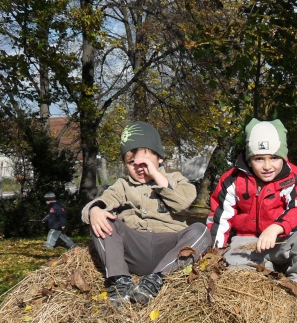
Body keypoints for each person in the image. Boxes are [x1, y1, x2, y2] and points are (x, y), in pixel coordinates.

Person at [81, 121, 211, 306]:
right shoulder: (123, 185)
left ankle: (156, 279)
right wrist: (95, 210)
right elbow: (104, 200)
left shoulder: (176, 179)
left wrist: (157, 177)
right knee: (102, 220)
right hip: (135, 247)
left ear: (160, 158)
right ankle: (120, 281)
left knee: (201, 230)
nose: (139, 168)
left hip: (169, 247)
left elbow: (182, 203)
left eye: (145, 162)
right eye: (131, 163)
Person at [207, 118, 297, 283]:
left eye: (274, 158)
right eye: (259, 159)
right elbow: (220, 218)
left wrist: (276, 227)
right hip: (247, 245)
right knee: (235, 271)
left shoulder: (294, 178)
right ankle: (266, 269)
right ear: (249, 159)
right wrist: (215, 251)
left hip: (282, 241)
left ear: (283, 157)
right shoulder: (232, 180)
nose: (267, 166)